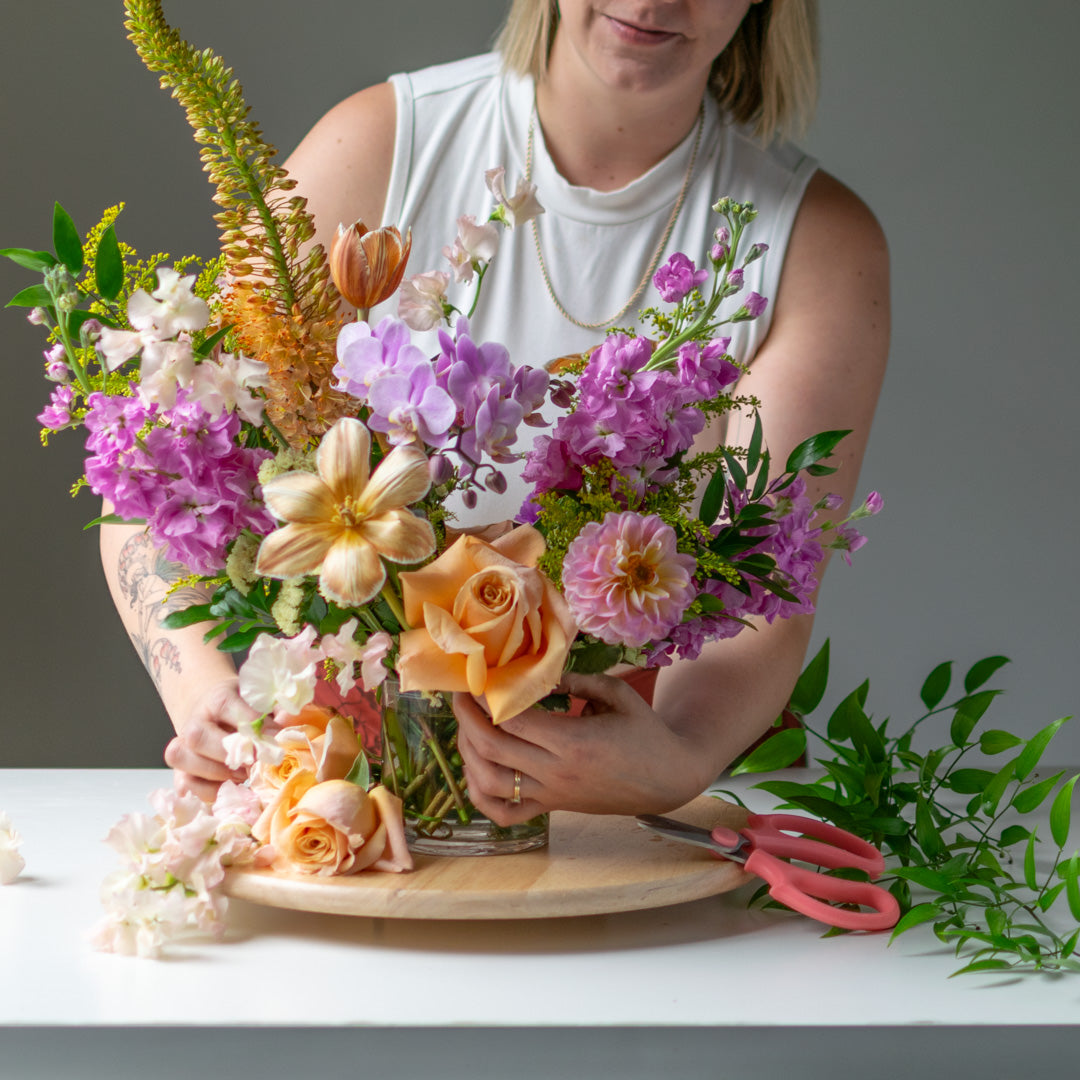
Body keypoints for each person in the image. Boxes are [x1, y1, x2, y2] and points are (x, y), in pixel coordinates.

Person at [100, 0, 889, 820]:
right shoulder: (379, 145)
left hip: (631, 785)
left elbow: (767, 592)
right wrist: (205, 698)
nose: (654, 1)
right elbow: (160, 481)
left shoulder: (819, 244)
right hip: (356, 786)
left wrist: (677, 757)